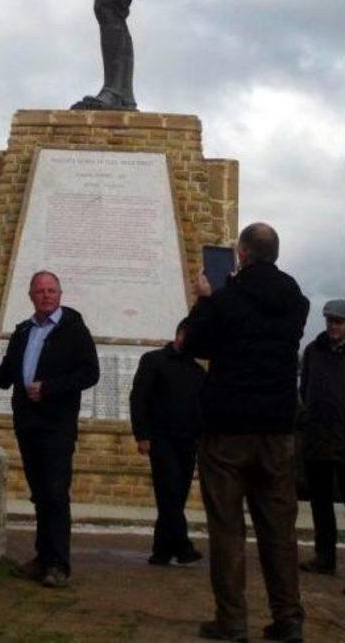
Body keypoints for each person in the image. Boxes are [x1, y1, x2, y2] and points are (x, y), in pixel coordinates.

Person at [180, 223, 309, 643]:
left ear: (241, 254)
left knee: (228, 528)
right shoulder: (296, 301)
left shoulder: (226, 299)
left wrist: (204, 300)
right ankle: (288, 618)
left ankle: (232, 622)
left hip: (228, 429)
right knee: (278, 529)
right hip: (276, 428)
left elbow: (195, 344)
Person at [0, 270, 99, 588]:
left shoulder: (74, 328)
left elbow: (90, 373)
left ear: (60, 294)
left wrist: (48, 388)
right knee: (39, 495)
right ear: (31, 296)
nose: (46, 295)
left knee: (55, 494)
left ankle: (58, 564)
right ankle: (42, 557)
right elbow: (6, 376)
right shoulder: (22, 331)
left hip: (57, 426)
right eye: (40, 291)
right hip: (28, 424)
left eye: (52, 290)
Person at [130, 318, 206, 566]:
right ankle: (182, 547)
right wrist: (142, 434)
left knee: (174, 497)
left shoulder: (197, 371)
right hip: (161, 439)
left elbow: (202, 407)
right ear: (181, 334)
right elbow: (138, 398)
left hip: (187, 442)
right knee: (170, 493)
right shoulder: (153, 361)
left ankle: (161, 551)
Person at [298, 298, 345, 576]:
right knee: (321, 504)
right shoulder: (313, 351)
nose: (333, 327)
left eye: (338, 322)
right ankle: (324, 557)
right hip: (317, 440)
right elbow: (304, 390)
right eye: (330, 321)